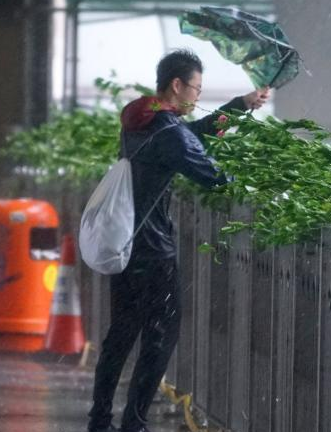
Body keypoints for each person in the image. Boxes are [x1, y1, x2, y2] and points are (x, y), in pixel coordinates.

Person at [87, 49, 270, 432]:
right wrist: (258, 188)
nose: (197, 95)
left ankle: (99, 420)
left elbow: (192, 135)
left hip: (126, 242)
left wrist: (240, 106)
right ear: (177, 85)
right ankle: (134, 423)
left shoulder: (141, 118)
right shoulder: (168, 131)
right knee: (160, 336)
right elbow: (212, 175)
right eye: (196, 88)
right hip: (154, 250)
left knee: (121, 334)